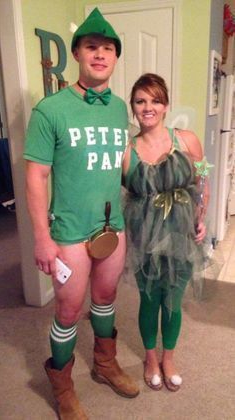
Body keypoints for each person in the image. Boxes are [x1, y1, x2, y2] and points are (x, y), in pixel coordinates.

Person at [24, 8, 139, 420]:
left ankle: (105, 365)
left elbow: (124, 162)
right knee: (68, 311)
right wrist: (42, 236)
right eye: (92, 47)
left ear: (115, 57)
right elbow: (36, 176)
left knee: (106, 298)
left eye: (108, 48)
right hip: (69, 231)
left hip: (113, 227)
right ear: (77, 53)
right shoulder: (50, 110)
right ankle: (64, 387)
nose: (100, 54)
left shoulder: (118, 108)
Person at [122, 73, 209, 392]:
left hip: (181, 234)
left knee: (172, 297)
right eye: (140, 101)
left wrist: (201, 216)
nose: (148, 107)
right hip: (143, 238)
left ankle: (168, 358)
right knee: (149, 299)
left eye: (155, 100)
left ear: (165, 105)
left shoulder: (188, 139)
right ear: (133, 107)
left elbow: (203, 178)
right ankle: (149, 357)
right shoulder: (126, 151)